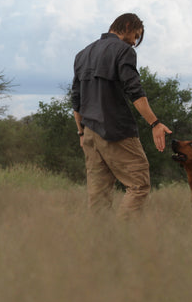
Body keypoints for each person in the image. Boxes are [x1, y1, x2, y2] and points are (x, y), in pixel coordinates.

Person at [71, 13, 172, 217]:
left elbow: (76, 99)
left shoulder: (83, 54)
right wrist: (155, 123)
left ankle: (100, 245)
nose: (135, 42)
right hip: (116, 131)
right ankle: (122, 238)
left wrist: (81, 133)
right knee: (139, 185)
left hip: (90, 133)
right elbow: (134, 91)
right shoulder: (123, 50)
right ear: (127, 25)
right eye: (136, 35)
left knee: (98, 196)